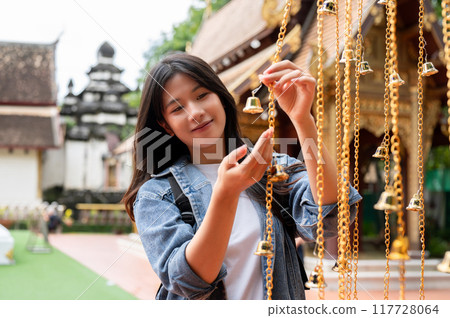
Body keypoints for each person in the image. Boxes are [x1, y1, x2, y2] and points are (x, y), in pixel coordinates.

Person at [122, 53, 362, 300]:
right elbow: (188, 281)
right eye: (178, 108)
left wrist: (302, 119)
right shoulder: (156, 194)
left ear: (221, 97)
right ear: (165, 124)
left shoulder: (271, 168)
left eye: (202, 95)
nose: (195, 112)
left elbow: (331, 215)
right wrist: (226, 194)